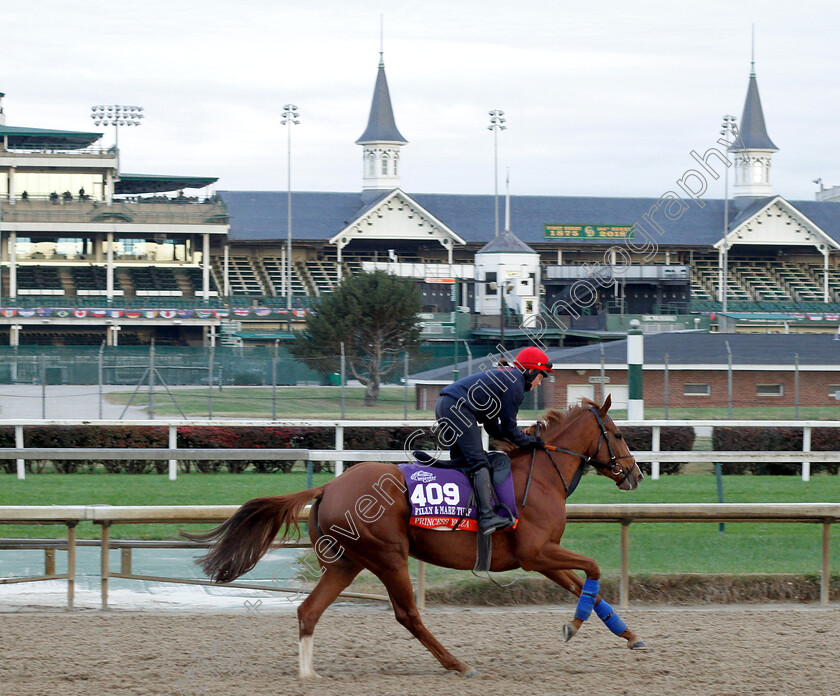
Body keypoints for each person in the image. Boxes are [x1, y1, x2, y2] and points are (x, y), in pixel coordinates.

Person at [434, 346, 553, 535]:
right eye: (541, 377)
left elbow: (492, 427)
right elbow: (509, 428)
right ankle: (487, 517)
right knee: (479, 461)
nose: (539, 383)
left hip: (446, 405)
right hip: (458, 407)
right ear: (531, 371)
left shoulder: (506, 378)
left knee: (464, 463)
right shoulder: (515, 383)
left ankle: (460, 511)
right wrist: (532, 442)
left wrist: (520, 438)